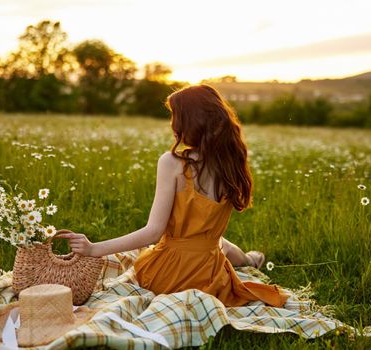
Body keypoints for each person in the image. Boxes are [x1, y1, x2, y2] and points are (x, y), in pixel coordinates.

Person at [58, 84, 289, 307]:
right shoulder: (230, 164)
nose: (172, 123)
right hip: (211, 277)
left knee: (203, 245)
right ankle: (250, 260)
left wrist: (94, 248)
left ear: (190, 122)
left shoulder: (173, 163)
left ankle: (249, 259)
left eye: (175, 116)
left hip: (168, 276)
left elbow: (153, 233)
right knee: (215, 242)